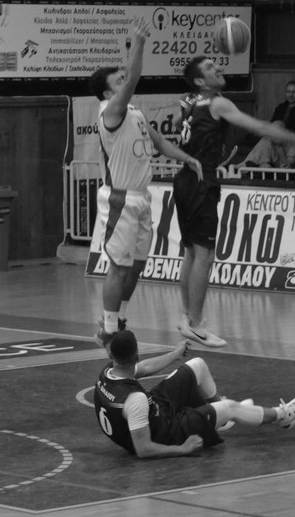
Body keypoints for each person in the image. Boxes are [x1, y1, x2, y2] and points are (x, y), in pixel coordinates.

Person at [174, 56, 295, 347]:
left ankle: (188, 318)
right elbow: (261, 127)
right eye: (210, 68)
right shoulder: (218, 103)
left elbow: (178, 122)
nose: (218, 68)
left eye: (216, 64)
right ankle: (197, 324)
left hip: (184, 178)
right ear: (200, 81)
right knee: (204, 255)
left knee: (191, 252)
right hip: (201, 181)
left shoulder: (189, 100)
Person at [89, 18, 203, 347]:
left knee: (137, 264)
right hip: (119, 198)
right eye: (118, 80)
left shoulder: (134, 112)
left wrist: (187, 157)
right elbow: (134, 78)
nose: (124, 81)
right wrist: (138, 43)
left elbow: (160, 142)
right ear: (108, 92)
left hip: (141, 197)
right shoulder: (110, 111)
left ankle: (119, 317)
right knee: (119, 266)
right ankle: (108, 328)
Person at [93, 330, 295, 458]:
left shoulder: (108, 372)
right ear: (136, 355)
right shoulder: (135, 400)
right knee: (230, 407)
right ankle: (283, 415)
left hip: (155, 412)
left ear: (111, 355)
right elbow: (143, 449)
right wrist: (182, 449)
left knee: (197, 365)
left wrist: (176, 354)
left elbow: (145, 368)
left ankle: (220, 419)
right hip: (167, 432)